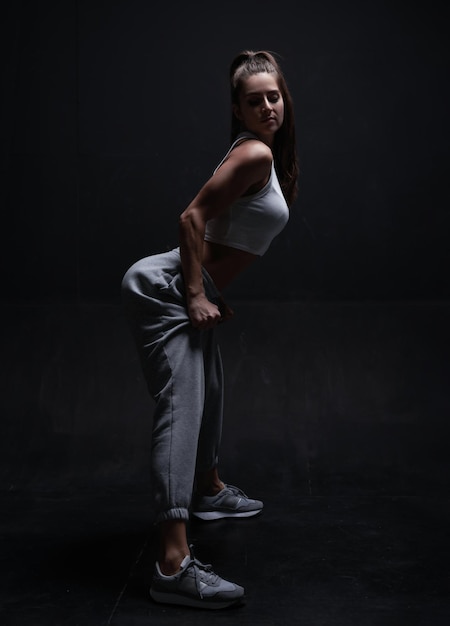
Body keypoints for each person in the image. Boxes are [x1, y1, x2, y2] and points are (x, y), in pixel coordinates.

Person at [121, 49, 298, 610]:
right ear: (238, 110)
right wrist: (195, 292)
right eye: (255, 101)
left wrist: (211, 291)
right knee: (184, 408)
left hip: (187, 286)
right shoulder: (252, 152)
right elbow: (190, 218)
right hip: (166, 287)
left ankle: (209, 490)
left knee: (211, 390)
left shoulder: (263, 154)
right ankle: (172, 565)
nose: (268, 106)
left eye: (274, 96)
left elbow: (225, 234)